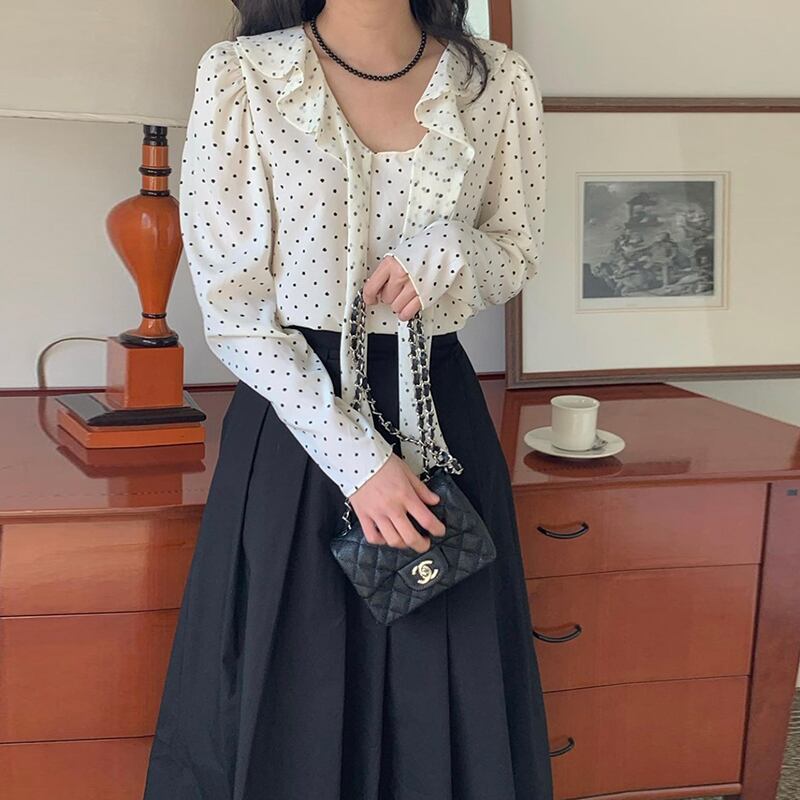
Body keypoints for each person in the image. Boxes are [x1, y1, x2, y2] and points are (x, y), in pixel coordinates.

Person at [143, 1, 551, 798]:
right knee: (291, 690)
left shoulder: (498, 81)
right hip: (295, 421)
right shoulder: (242, 76)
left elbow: (517, 246)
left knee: (446, 688)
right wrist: (360, 462)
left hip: (439, 411)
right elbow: (234, 309)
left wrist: (452, 251)